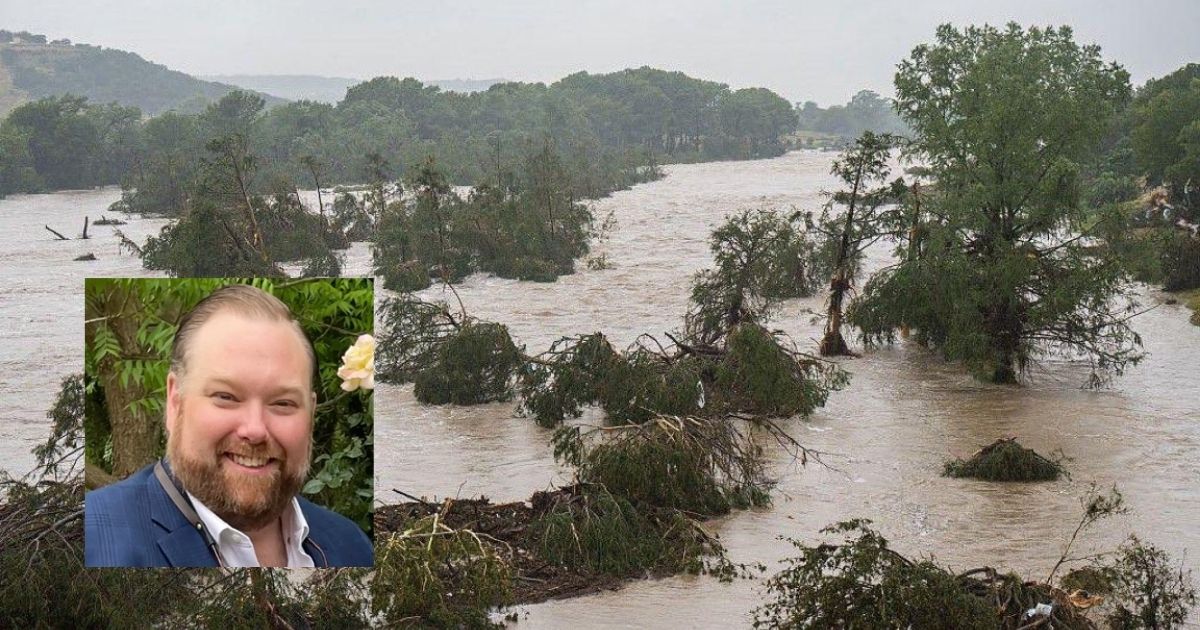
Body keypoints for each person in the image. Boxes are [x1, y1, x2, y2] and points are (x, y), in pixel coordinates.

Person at [85, 284, 372, 567]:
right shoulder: (91, 540)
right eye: (226, 397)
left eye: (283, 403)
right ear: (175, 401)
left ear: (310, 414)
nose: (255, 429)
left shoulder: (351, 546)